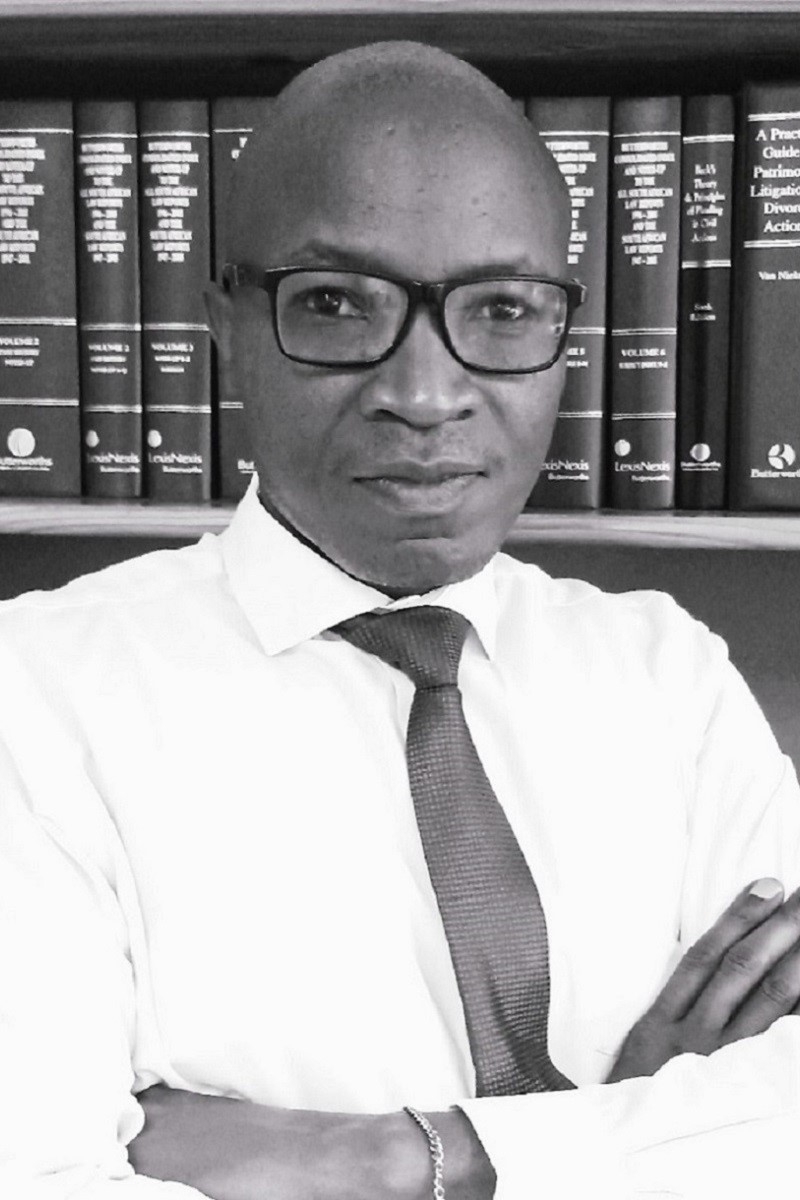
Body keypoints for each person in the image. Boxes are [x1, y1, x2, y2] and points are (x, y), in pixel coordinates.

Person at [2, 39, 800, 1200]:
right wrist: (648, 1135)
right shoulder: (33, 694)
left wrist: (398, 1155)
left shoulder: (664, 675)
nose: (423, 394)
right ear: (225, 323)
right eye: (334, 304)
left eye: (502, 309)